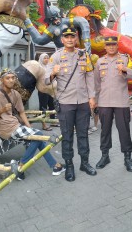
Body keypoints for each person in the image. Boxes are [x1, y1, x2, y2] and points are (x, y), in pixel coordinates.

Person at [0, 68, 64, 180]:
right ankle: (20, 166)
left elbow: (21, 112)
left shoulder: (15, 93)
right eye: (8, 78)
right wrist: (1, 111)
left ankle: (55, 166)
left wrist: (29, 127)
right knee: (39, 135)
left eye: (13, 78)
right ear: (2, 80)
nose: (11, 80)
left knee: (37, 138)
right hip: (4, 128)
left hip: (15, 125)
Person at [45, 26, 96, 182]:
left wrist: (92, 97)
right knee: (67, 136)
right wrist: (53, 72)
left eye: (72, 37)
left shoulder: (83, 54)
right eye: (66, 37)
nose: (69, 39)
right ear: (62, 39)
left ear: (76, 38)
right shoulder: (56, 56)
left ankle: (84, 163)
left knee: (83, 134)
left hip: (82, 101)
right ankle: (69, 166)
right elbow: (46, 80)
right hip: (65, 102)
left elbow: (89, 75)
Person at [94, 36, 132, 172]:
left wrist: (125, 69)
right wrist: (94, 101)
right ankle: (105, 155)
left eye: (114, 44)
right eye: (109, 45)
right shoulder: (100, 62)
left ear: (117, 46)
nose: (111, 47)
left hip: (121, 102)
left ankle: (127, 157)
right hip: (104, 102)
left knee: (124, 131)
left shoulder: (125, 59)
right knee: (105, 130)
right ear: (105, 47)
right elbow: (96, 83)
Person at [38, 53, 55, 131]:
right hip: (42, 90)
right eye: (44, 58)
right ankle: (44, 124)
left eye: (47, 58)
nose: (46, 59)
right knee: (43, 107)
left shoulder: (49, 67)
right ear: (41, 59)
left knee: (52, 105)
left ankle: (53, 121)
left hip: (50, 89)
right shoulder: (39, 68)